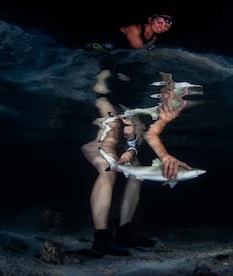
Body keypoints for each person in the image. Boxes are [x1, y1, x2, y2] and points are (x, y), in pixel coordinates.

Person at [81, 71, 191, 257]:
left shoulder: (145, 113)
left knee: (136, 175)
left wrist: (153, 153)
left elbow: (147, 135)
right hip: (98, 144)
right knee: (108, 170)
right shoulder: (108, 107)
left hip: (125, 145)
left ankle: (124, 234)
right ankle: (101, 238)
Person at [85, 6, 175, 51]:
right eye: (159, 23)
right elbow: (138, 49)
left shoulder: (154, 38)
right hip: (99, 46)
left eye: (166, 26)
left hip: (118, 51)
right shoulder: (134, 29)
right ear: (150, 20)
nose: (162, 27)